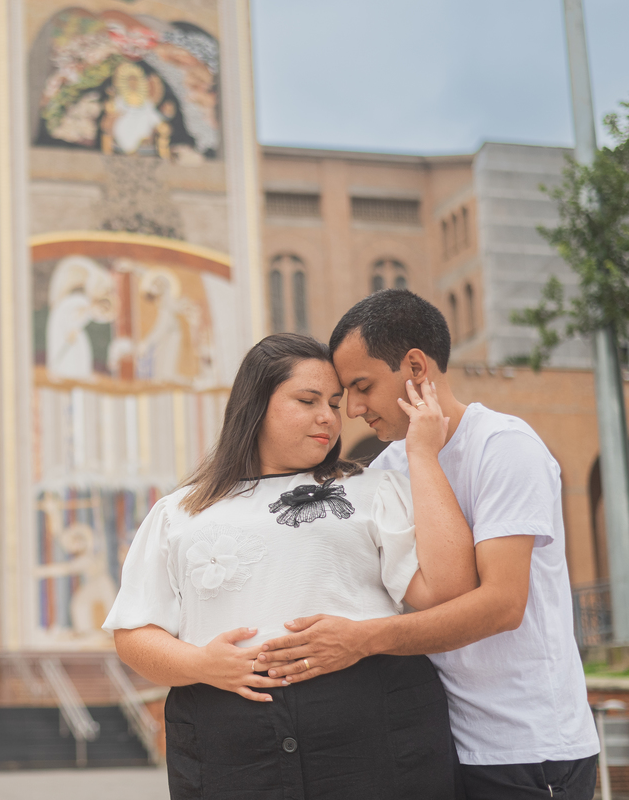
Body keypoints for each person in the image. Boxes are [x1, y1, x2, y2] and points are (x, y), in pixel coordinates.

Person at [256, 290, 600, 799]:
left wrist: (361, 640)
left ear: (415, 366)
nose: (351, 409)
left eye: (361, 386)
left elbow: (503, 605)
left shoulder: (504, 449)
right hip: (436, 745)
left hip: (527, 750)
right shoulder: (386, 470)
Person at [105, 333, 478, 799]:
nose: (328, 416)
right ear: (256, 404)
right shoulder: (178, 513)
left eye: (335, 403)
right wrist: (202, 663)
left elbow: (449, 591)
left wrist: (422, 454)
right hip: (233, 754)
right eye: (307, 400)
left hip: (376, 742)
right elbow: (134, 634)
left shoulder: (373, 489)